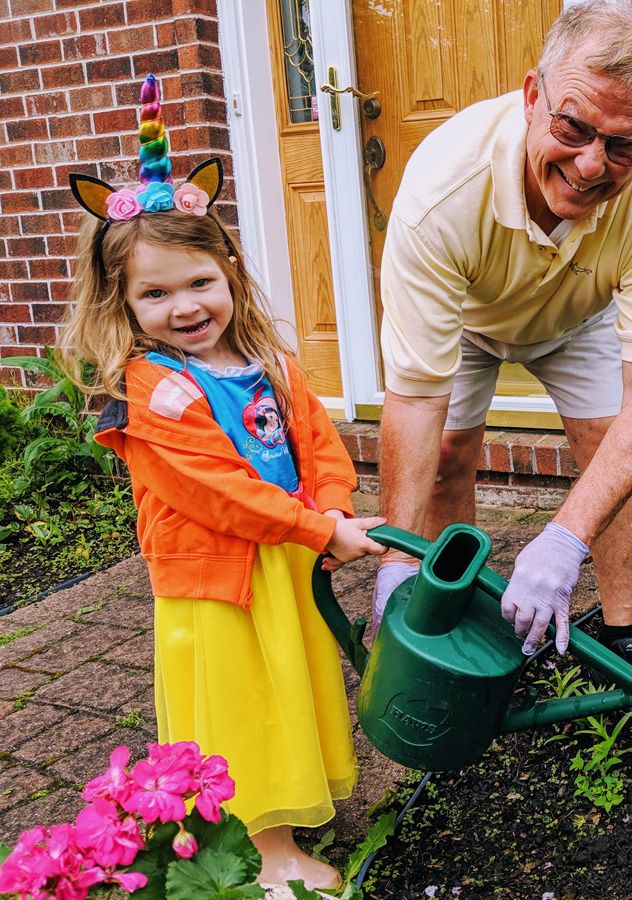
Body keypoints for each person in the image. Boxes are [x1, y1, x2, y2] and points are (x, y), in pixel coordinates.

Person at [59, 74, 387, 892]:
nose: (185, 306)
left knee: (291, 688)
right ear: (124, 305)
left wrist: (335, 505)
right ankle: (267, 857)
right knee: (245, 708)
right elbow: (213, 489)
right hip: (217, 580)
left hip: (282, 556)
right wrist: (318, 529)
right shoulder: (149, 389)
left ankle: (285, 818)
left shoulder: (267, 361)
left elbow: (315, 440)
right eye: (156, 294)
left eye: (199, 282)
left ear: (230, 274)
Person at [374, 0, 632, 667]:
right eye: (575, 127)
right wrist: (393, 556)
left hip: (580, 311)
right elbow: (413, 398)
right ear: (532, 96)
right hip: (469, 313)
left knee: (608, 447)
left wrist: (563, 539)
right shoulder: (443, 187)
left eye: (623, 146)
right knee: (445, 455)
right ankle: (444, 615)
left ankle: (620, 634)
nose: (591, 165)